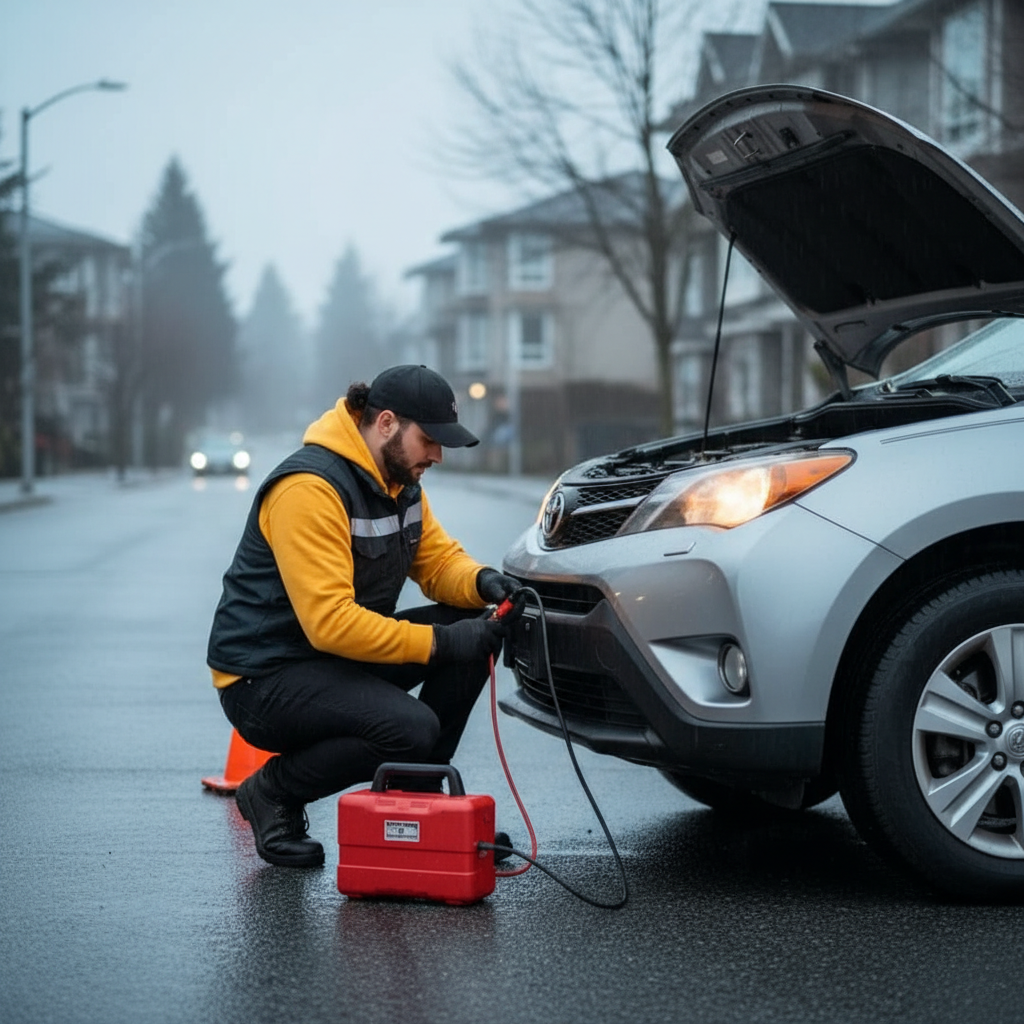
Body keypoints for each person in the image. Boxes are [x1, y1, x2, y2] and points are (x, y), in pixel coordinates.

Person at [207, 365, 521, 868]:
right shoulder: (309, 488)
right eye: (430, 440)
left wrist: (483, 581)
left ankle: (416, 813)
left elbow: (438, 562)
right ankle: (272, 792)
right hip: (263, 678)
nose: (437, 455)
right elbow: (330, 622)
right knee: (413, 725)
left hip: (332, 661)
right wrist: (441, 642)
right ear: (388, 423)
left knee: (475, 628)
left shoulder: (398, 483)